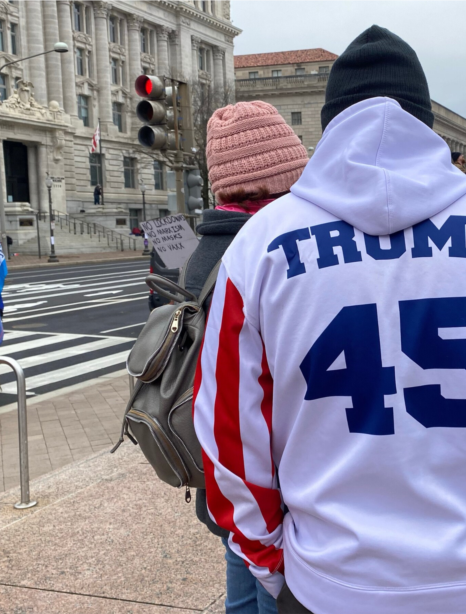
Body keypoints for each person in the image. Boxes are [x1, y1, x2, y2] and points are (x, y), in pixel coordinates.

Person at [193, 26, 466, 614]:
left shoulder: (259, 247)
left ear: (329, 123)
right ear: (425, 121)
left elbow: (229, 432)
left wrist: (269, 558)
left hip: (332, 576)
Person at [185, 100, 310, 614]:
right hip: (272, 474)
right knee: (267, 590)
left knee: (239, 573)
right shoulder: (271, 250)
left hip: (221, 467)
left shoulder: (199, 250)